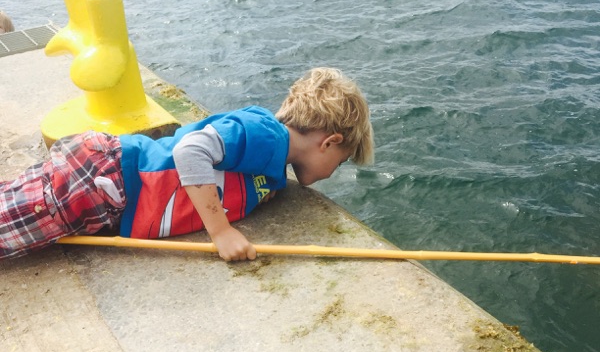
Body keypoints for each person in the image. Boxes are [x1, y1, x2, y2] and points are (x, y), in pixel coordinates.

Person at [0, 67, 373, 262]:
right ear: (330, 142)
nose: (331, 174)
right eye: (338, 164)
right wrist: (221, 231)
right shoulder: (267, 134)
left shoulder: (273, 171)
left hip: (110, 195)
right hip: (105, 181)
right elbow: (191, 150)